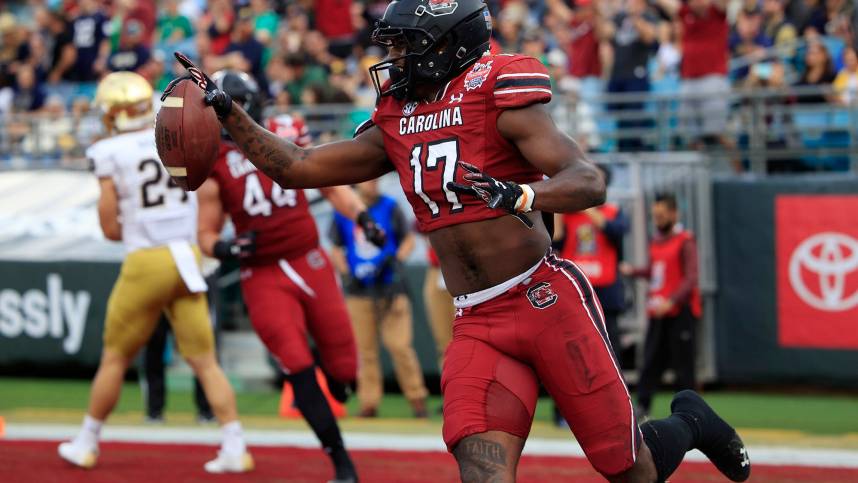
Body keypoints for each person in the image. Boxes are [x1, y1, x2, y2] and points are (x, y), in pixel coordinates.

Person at [163, 0, 751, 479]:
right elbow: (299, 166)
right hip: (476, 319)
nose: (392, 57)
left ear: (447, 45)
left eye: (403, 45)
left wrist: (522, 196)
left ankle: (691, 423)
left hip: (543, 298)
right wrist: (228, 113)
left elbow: (588, 180)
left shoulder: (496, 90)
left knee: (631, 471)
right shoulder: (395, 114)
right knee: (481, 473)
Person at [195, 70, 385, 483]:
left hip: (308, 259)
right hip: (261, 273)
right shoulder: (213, 163)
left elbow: (330, 185)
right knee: (296, 365)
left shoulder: (285, 133)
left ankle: (335, 385)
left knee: (344, 369)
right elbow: (206, 235)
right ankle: (341, 461)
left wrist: (361, 217)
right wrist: (225, 248)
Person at [58, 72, 252, 473]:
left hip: (147, 259)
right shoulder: (173, 135)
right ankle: (235, 445)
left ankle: (87, 441)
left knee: (115, 358)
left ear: (115, 111)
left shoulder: (109, 150)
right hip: (187, 259)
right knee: (205, 361)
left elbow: (110, 228)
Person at [329, 179, 429, 418]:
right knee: (365, 350)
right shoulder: (344, 210)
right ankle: (368, 403)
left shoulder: (390, 206)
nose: (373, 184)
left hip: (391, 288)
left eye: (375, 180)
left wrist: (396, 262)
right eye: (368, 180)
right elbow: (335, 247)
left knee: (400, 346)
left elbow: (408, 239)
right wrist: (345, 273)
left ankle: (417, 399)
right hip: (359, 290)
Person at [620, 193, 702, 421]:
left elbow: (691, 278)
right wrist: (634, 271)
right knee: (650, 363)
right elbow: (655, 272)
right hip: (657, 311)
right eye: (654, 216)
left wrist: (672, 301)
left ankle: (689, 414)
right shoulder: (656, 241)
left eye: (662, 215)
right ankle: (642, 408)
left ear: (674, 214)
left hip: (679, 312)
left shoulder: (685, 240)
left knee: (683, 367)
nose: (657, 219)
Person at [555, 164, 629, 356]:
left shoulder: (613, 211)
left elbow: (617, 231)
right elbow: (556, 239)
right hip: (576, 287)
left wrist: (587, 206)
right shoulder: (568, 214)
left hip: (606, 287)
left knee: (610, 339)